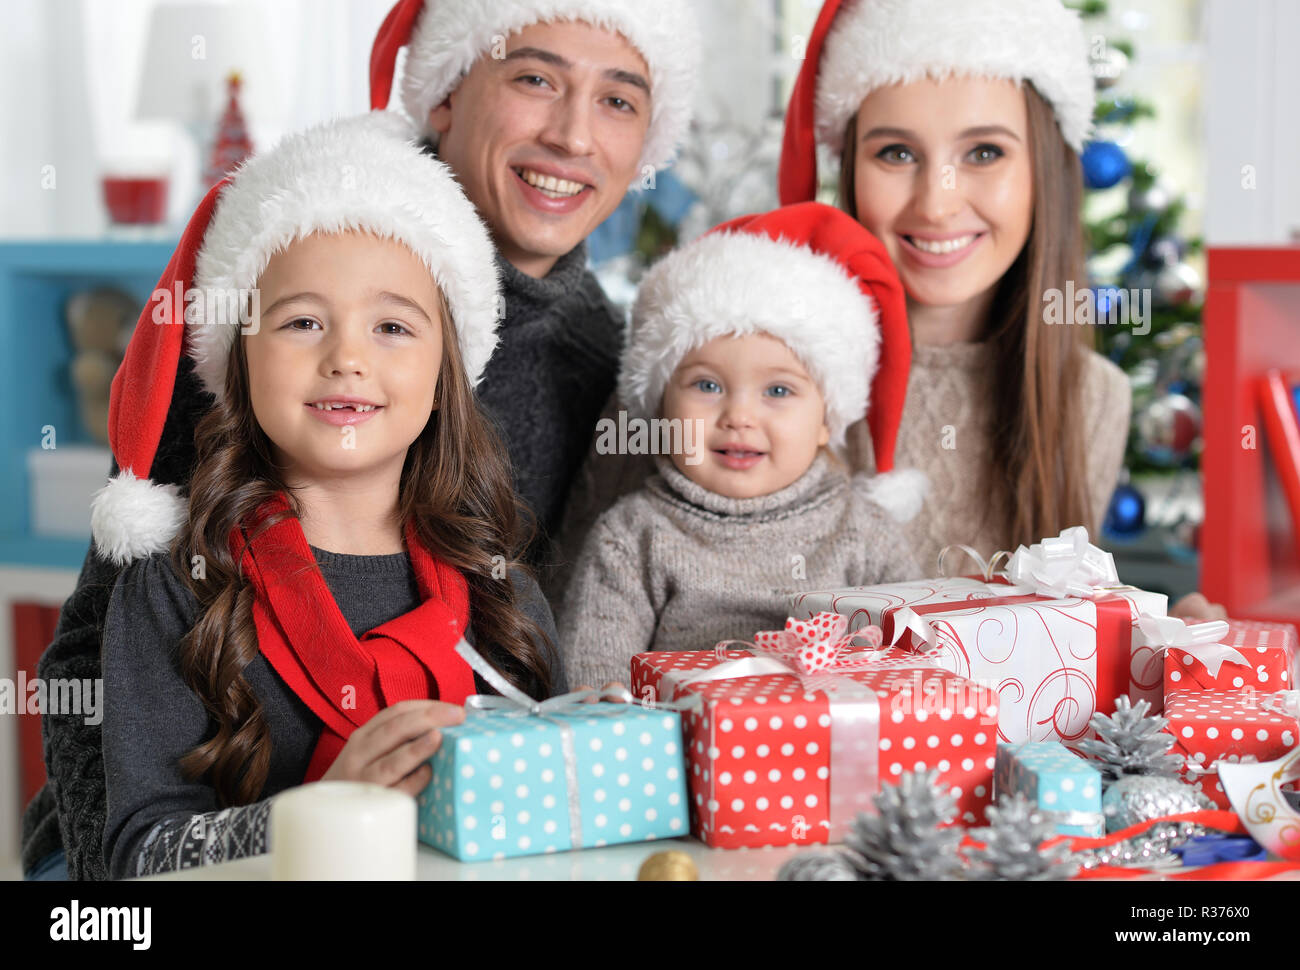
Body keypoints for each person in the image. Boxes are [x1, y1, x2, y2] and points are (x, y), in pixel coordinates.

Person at [23, 0, 700, 880]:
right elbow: (100, 684)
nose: (573, 134)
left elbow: (538, 670)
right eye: (534, 77)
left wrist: (585, 737)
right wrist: (117, 889)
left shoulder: (607, 374)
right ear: (448, 92)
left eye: (619, 99)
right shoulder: (284, 250)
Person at [91, 113, 560, 879]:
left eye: (392, 327)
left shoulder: (506, 601)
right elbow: (139, 856)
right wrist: (325, 812)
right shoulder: (176, 591)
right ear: (239, 361)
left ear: (446, 377)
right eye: (303, 321)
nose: (346, 357)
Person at [777, 0, 1225, 621]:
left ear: (1046, 170)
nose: (937, 204)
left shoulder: (1088, 398)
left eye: (984, 152)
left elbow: (1050, 662)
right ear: (850, 168)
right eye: (896, 154)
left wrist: (1159, 652)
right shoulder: (745, 356)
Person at [559, 203, 922, 688]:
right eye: (707, 386)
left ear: (825, 419)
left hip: (840, 750)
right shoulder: (631, 540)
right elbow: (594, 682)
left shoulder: (866, 535)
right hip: (679, 756)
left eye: (777, 391)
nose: (739, 418)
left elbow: (916, 667)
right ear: (662, 405)